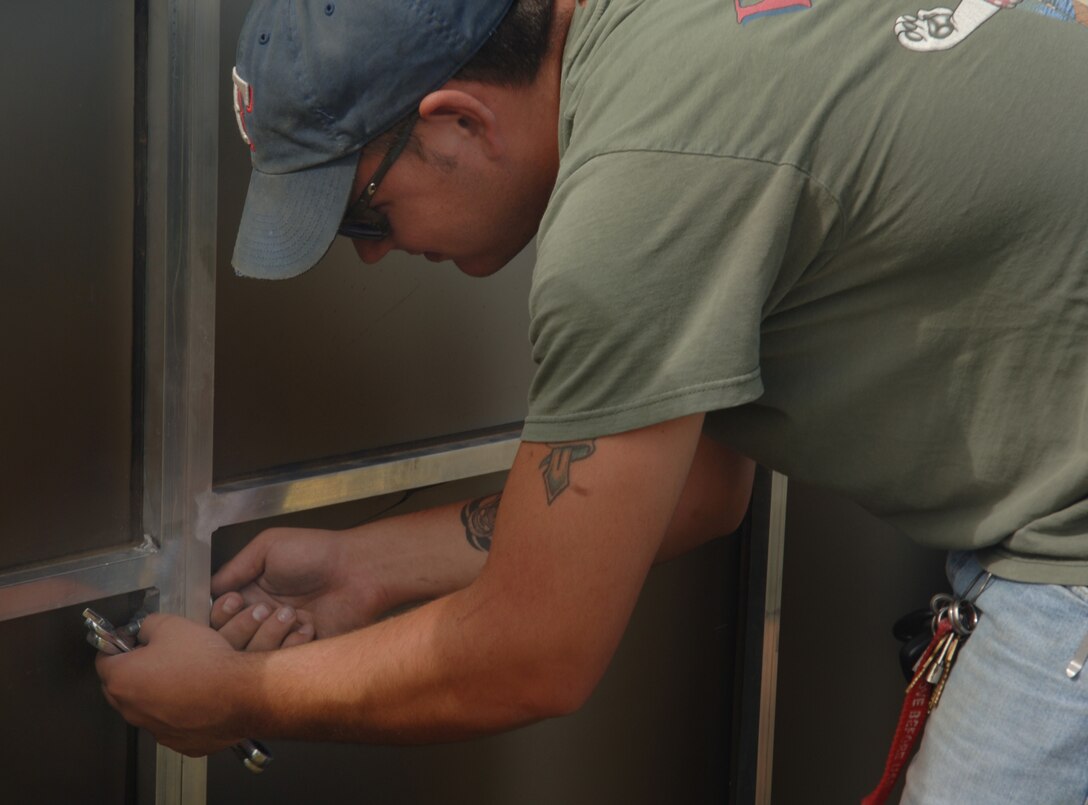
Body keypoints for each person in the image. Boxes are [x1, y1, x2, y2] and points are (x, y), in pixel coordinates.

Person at [95, 0, 1088, 800]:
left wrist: (238, 696)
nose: (368, 252)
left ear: (456, 122)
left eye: (361, 205)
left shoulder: (636, 204)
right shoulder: (653, 41)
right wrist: (365, 563)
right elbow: (695, 483)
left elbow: (532, 656)